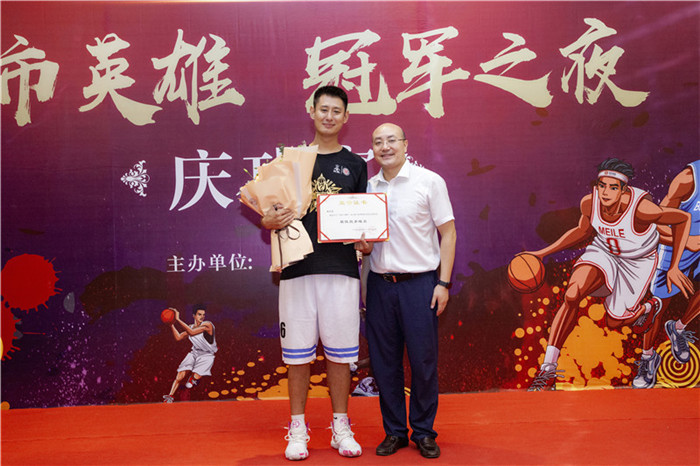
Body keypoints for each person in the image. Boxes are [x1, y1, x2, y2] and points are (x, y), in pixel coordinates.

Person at [261, 85, 367, 460]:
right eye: (324, 109)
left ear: (346, 117)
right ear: (312, 111)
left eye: (337, 111)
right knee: (297, 355)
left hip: (341, 270)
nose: (329, 116)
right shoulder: (289, 162)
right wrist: (268, 219)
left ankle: (340, 427)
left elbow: (364, 219)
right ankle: (297, 429)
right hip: (297, 270)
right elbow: (268, 214)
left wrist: (366, 241)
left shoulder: (356, 165)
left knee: (341, 354)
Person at [523, 158, 692, 391]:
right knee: (572, 295)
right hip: (604, 252)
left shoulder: (642, 209)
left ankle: (649, 308)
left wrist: (673, 267)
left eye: (613, 187)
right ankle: (548, 368)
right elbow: (582, 231)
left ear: (624, 190)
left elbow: (683, 218)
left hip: (636, 262)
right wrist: (543, 253)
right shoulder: (589, 203)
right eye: (602, 185)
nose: (605, 192)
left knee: (614, 322)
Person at [359, 122, 456, 459]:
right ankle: (395, 432)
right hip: (380, 285)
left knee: (423, 361)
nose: (385, 147)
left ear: (405, 144)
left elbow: (449, 233)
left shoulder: (429, 181)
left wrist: (443, 283)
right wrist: (362, 245)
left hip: (420, 285)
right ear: (372, 149)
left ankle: (424, 431)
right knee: (385, 364)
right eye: (378, 142)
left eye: (391, 140)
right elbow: (367, 246)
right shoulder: (368, 189)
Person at [632, 160, 699, 388]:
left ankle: (678, 328)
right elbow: (656, 223)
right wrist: (686, 243)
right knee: (659, 304)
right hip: (677, 244)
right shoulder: (688, 180)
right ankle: (648, 357)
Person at [163, 305, 217, 403]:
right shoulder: (190, 327)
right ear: (194, 316)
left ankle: (193, 379)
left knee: (195, 378)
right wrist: (171, 325)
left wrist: (178, 319)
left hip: (207, 355)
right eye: (199, 314)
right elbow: (178, 337)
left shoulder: (208, 325)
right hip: (194, 352)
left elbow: (192, 332)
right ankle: (170, 396)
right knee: (179, 376)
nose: (202, 316)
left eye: (203, 315)